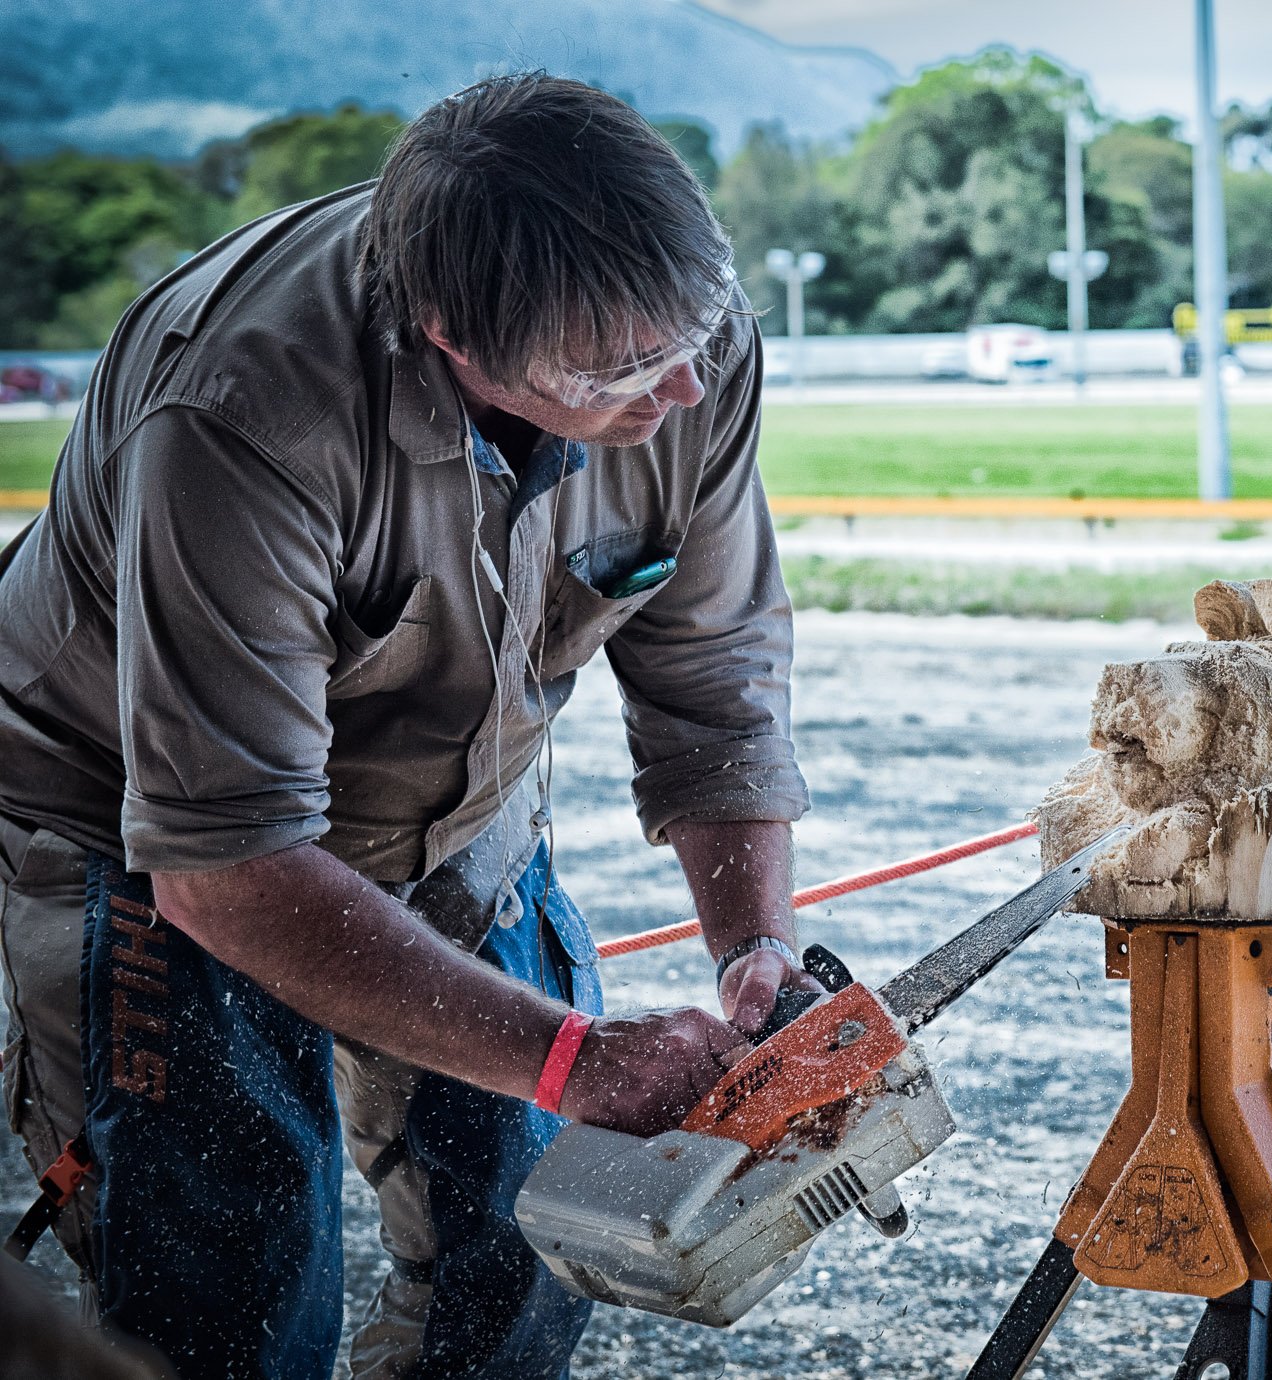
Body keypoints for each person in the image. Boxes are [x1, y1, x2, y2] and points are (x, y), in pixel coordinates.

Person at [0, 73, 820, 1378]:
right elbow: (227, 865)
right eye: (622, 371)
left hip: (453, 796)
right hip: (148, 820)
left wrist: (757, 946)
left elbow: (714, 667)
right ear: (452, 339)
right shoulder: (238, 414)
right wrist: (576, 1058)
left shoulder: (677, 338)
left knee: (528, 1252)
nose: (681, 390)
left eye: (697, 339)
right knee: (230, 1291)